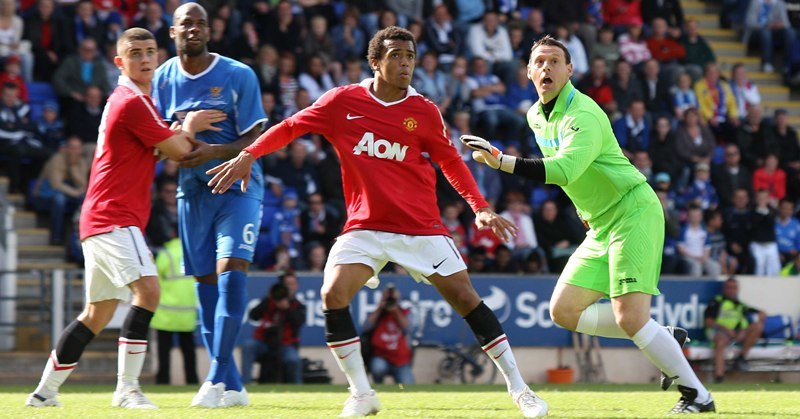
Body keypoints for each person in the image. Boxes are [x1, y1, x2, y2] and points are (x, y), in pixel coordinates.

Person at [206, 26, 548, 418]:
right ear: (375, 62)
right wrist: (250, 153)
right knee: (332, 294)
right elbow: (291, 126)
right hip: (365, 227)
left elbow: (450, 161)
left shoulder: (423, 110)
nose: (405, 63)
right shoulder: (343, 101)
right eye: (396, 56)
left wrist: (480, 207)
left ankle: (521, 390)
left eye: (410, 56)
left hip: (419, 226)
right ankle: (362, 393)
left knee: (467, 300)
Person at [460, 35, 715, 414]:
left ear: (569, 69)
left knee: (630, 317)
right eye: (539, 62)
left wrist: (501, 161)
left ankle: (698, 396)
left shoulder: (584, 113)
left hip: (633, 212)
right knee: (563, 311)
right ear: (529, 71)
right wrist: (584, 207)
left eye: (554, 61)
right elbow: (571, 176)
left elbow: (563, 169)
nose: (546, 68)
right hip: (600, 223)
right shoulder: (534, 115)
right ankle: (662, 335)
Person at [24, 28, 196, 409]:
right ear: (119, 62)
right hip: (114, 217)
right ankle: (127, 389)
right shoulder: (132, 102)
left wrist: (175, 136)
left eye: (151, 51)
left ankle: (44, 392)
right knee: (149, 291)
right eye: (135, 53)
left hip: (101, 218)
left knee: (96, 313)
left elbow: (161, 149)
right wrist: (191, 128)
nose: (145, 59)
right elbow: (179, 151)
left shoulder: (134, 101)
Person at [151, 3, 267, 408]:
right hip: (192, 193)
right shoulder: (163, 77)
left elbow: (257, 136)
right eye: (187, 23)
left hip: (237, 187)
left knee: (232, 273)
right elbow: (157, 138)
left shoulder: (238, 74)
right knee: (205, 286)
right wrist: (183, 135)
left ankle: (214, 379)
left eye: (201, 23)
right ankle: (233, 386)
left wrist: (214, 150)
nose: (194, 29)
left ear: (210, 31)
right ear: (173, 31)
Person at [241, 271, 306, 384]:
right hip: (264, 343)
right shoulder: (269, 301)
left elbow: (299, 323)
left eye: (292, 284)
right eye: (287, 284)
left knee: (293, 360)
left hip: (286, 344)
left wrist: (287, 309)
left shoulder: (298, 305)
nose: (289, 287)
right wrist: (269, 299)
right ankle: (245, 384)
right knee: (248, 346)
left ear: (296, 286)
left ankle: (297, 388)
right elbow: (253, 315)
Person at [151, 237, 199, 386]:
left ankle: (163, 381)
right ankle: (192, 382)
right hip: (187, 312)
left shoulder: (166, 254)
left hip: (166, 313)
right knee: (189, 352)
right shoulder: (192, 252)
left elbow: (154, 278)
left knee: (164, 352)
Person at [704, 277, 766, 382]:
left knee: (758, 326)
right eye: (728, 288)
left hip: (738, 333)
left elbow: (760, 313)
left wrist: (744, 330)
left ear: (737, 289)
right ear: (724, 289)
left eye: (734, 288)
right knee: (720, 341)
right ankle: (719, 376)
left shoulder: (741, 305)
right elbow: (708, 321)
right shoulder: (717, 302)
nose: (731, 290)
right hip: (721, 332)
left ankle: (741, 358)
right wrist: (726, 329)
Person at [362, 284, 414, 385]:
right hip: (381, 356)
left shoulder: (404, 312)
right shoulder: (378, 314)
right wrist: (380, 308)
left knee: (408, 384)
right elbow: (366, 327)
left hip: (401, 359)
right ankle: (379, 386)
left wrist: (395, 310)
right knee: (378, 367)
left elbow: (408, 328)